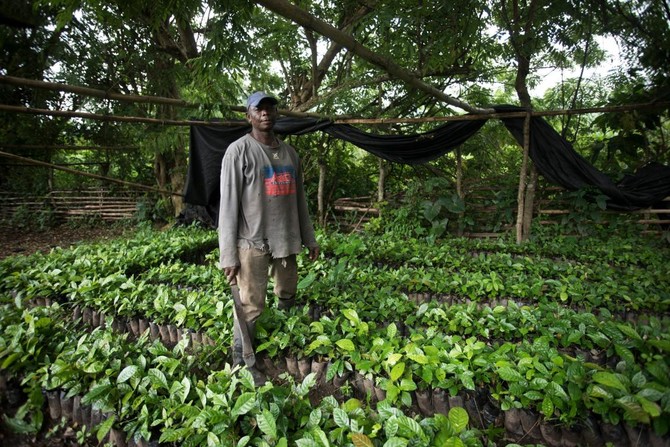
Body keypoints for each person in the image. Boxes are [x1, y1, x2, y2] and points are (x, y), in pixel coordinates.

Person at [218, 91, 320, 383]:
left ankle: (283, 342)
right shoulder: (238, 152)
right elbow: (227, 208)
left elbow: (300, 200)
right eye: (258, 109)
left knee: (287, 292)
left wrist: (309, 238)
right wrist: (228, 255)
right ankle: (243, 360)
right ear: (248, 116)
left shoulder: (290, 153)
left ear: (277, 114)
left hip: (286, 240)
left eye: (270, 108)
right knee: (251, 305)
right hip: (252, 242)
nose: (265, 113)